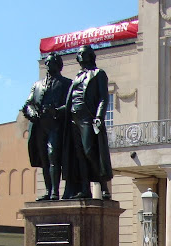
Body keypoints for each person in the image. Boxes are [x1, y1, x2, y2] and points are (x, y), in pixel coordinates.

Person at [63, 45, 113, 200]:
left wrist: (99, 116)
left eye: (83, 53)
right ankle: (85, 188)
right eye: (78, 54)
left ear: (90, 56)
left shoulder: (98, 73)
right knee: (79, 155)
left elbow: (104, 98)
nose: (79, 56)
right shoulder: (77, 76)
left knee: (89, 151)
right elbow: (70, 100)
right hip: (73, 118)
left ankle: (103, 184)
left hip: (87, 117)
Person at [22, 52, 72, 201]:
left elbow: (70, 105)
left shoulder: (66, 83)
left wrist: (56, 111)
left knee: (53, 156)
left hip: (56, 126)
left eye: (51, 62)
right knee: (44, 160)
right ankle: (48, 190)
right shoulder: (37, 85)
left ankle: (55, 192)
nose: (48, 65)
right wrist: (32, 113)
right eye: (47, 62)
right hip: (40, 126)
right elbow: (28, 104)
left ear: (58, 65)